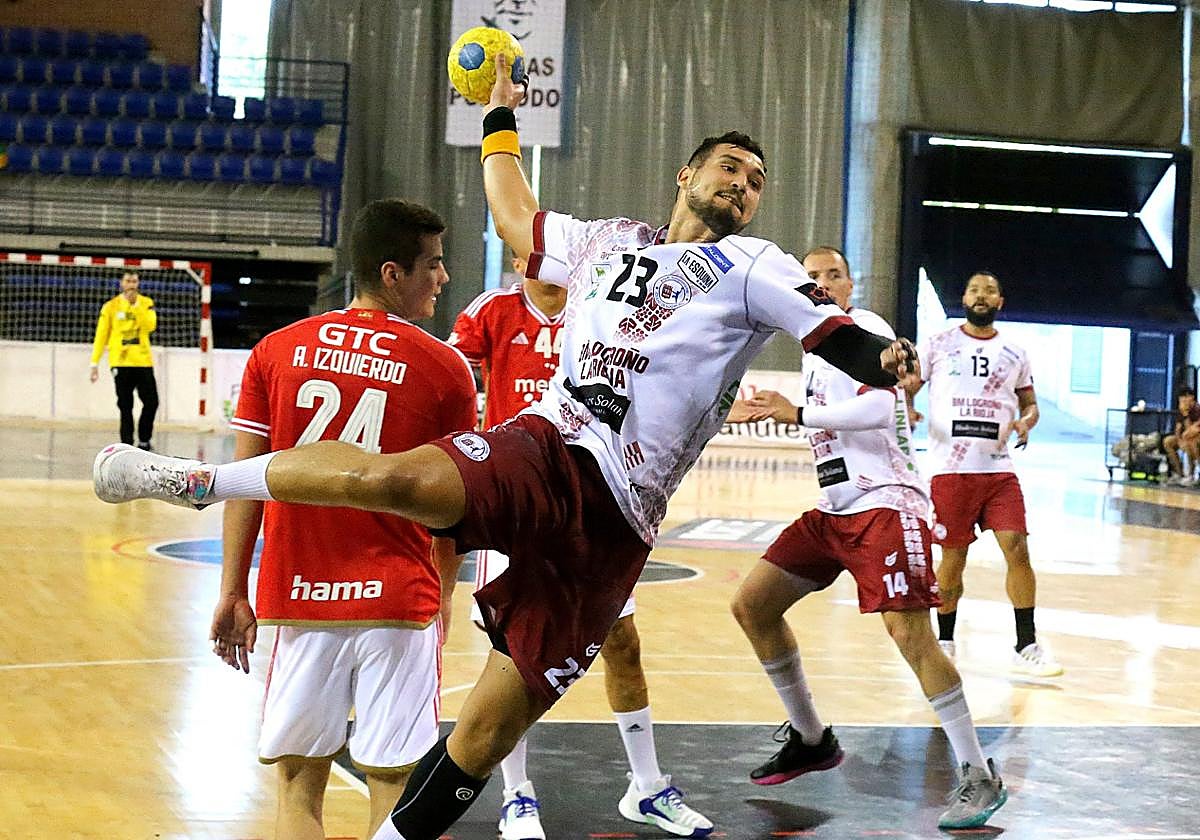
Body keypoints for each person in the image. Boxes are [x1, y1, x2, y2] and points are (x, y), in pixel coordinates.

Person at [94, 55, 920, 840]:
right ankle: (203, 476)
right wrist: (499, 115)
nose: (742, 185)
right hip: (551, 443)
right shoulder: (606, 241)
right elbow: (513, 211)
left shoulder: (750, 265)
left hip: (619, 521)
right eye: (730, 168)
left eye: (755, 181)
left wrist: (883, 361)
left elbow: (834, 332)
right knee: (398, 482)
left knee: (484, 733)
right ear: (687, 175)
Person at [209, 199, 477, 840]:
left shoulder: (276, 352)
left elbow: (246, 485)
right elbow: (453, 510)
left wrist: (231, 592)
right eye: (433, 265)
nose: (442, 278)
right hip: (397, 601)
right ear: (392, 273)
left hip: (298, 599)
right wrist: (440, 597)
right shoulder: (444, 369)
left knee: (300, 783)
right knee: (394, 786)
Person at [727, 247, 1007, 830]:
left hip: (884, 502)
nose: (823, 284)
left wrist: (794, 412)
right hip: (835, 511)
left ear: (851, 283)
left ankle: (978, 774)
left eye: (833, 274)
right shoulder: (813, 346)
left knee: (910, 637)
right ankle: (810, 738)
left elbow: (880, 408)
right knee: (753, 604)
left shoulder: (867, 329)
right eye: (812, 278)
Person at [449, 257, 710, 838]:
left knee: (624, 644)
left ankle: (646, 786)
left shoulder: (604, 306)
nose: (540, 261)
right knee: (509, 653)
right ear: (519, 259)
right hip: (518, 495)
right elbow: (453, 379)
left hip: (592, 501)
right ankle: (517, 796)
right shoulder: (491, 311)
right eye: (529, 251)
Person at [911, 271, 1062, 677]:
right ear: (963, 298)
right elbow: (908, 385)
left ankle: (1026, 644)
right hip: (951, 471)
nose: (981, 296)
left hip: (998, 470)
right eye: (975, 290)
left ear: (1000, 301)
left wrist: (1026, 421)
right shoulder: (939, 344)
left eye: (990, 290)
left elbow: (1031, 404)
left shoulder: (1015, 352)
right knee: (953, 560)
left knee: (1017, 547)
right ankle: (944, 639)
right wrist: (907, 406)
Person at [90, 271, 159, 450]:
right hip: (120, 361)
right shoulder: (110, 307)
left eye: (134, 281)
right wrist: (94, 363)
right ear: (121, 283)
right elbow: (101, 335)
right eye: (128, 281)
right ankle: (127, 444)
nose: (131, 285)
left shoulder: (146, 303)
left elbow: (150, 326)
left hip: (142, 361)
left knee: (152, 402)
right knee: (125, 405)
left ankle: (144, 439)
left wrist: (135, 307)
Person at [1163, 387, 1200, 486]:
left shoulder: (1197, 409)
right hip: (1185, 437)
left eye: (1184, 399)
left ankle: (1191, 475)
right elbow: (1178, 428)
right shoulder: (1181, 409)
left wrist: (1186, 414)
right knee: (1168, 441)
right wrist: (1179, 440)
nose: (1182, 402)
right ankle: (1179, 473)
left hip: (1194, 437)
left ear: (1190, 397)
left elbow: (1191, 431)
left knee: (1190, 442)